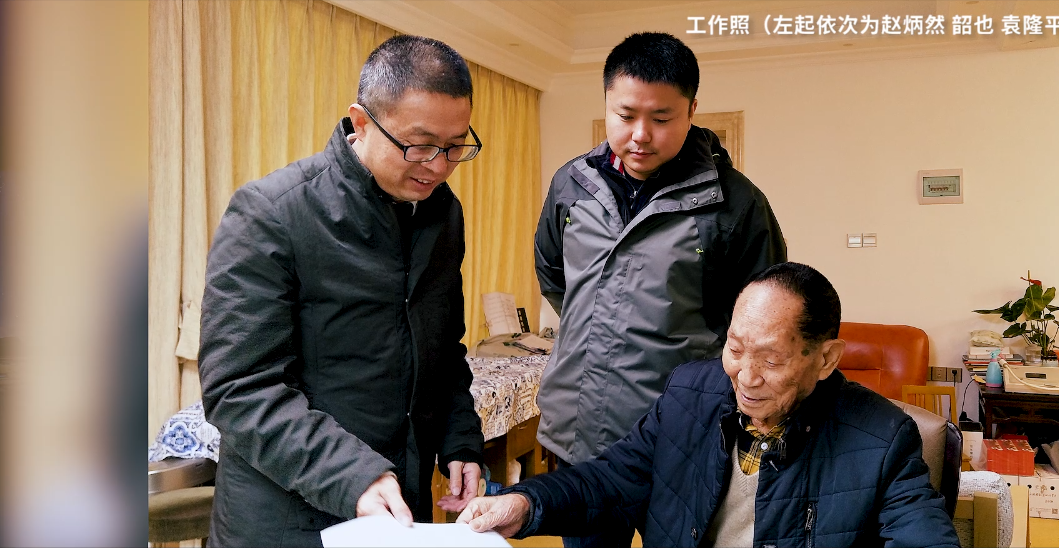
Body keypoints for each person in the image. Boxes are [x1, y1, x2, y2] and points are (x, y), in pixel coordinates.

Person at [199, 35, 485, 546]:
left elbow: (442, 349)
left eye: (455, 145)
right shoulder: (272, 214)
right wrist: (353, 475)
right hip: (285, 519)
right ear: (361, 122)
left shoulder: (443, 214)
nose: (439, 166)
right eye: (420, 144)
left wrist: (460, 439)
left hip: (397, 507)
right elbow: (240, 388)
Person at [459, 262, 961, 548]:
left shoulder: (882, 438)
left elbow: (923, 539)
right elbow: (611, 480)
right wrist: (526, 504)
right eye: (735, 349)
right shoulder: (689, 394)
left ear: (826, 359)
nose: (746, 377)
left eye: (771, 360)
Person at [533, 31, 786, 547]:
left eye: (662, 118)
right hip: (581, 434)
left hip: (682, 438)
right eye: (625, 115)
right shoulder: (571, 185)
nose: (640, 136)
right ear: (606, 103)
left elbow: (763, 321)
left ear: (692, 110)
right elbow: (556, 279)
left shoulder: (735, 204)